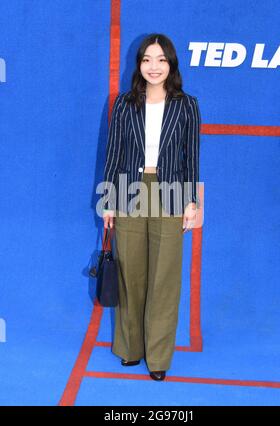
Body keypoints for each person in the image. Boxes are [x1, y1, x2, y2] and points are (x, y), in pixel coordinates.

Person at [100, 33, 201, 381]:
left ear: (170, 64)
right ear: (138, 64)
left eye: (160, 59)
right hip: (128, 190)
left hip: (171, 190)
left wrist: (192, 202)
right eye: (146, 59)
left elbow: (192, 158)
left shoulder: (187, 104)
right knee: (131, 273)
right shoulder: (124, 103)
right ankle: (130, 348)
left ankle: (158, 356)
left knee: (165, 276)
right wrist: (108, 200)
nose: (153, 66)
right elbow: (113, 155)